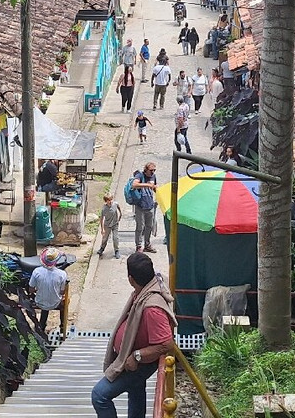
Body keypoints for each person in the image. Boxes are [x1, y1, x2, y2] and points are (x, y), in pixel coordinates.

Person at [91, 253, 177, 418]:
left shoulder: (152, 309)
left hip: (139, 363)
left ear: (131, 279)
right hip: (130, 358)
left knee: (99, 395)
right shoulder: (147, 288)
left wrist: (137, 355)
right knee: (136, 390)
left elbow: (166, 343)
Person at [30, 247, 69, 333]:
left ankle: (42, 325)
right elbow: (62, 292)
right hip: (55, 303)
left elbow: (31, 289)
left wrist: (38, 289)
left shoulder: (36, 271)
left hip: (40, 302)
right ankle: (62, 326)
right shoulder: (62, 274)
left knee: (44, 302)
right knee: (64, 301)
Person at [131, 164, 158, 253]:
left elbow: (154, 188)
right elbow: (134, 185)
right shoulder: (140, 175)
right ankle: (138, 246)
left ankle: (147, 245)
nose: (153, 172)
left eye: (154, 170)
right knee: (140, 227)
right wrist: (147, 185)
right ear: (146, 170)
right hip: (140, 206)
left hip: (150, 205)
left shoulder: (153, 177)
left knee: (149, 226)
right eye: (151, 170)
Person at [98, 193, 123, 259]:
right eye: (109, 200)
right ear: (106, 201)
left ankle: (116, 250)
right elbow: (101, 219)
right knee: (105, 238)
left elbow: (118, 207)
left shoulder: (115, 204)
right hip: (107, 225)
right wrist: (102, 229)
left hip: (115, 224)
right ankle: (102, 248)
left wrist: (120, 214)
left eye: (111, 199)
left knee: (115, 238)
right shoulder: (104, 209)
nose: (110, 201)